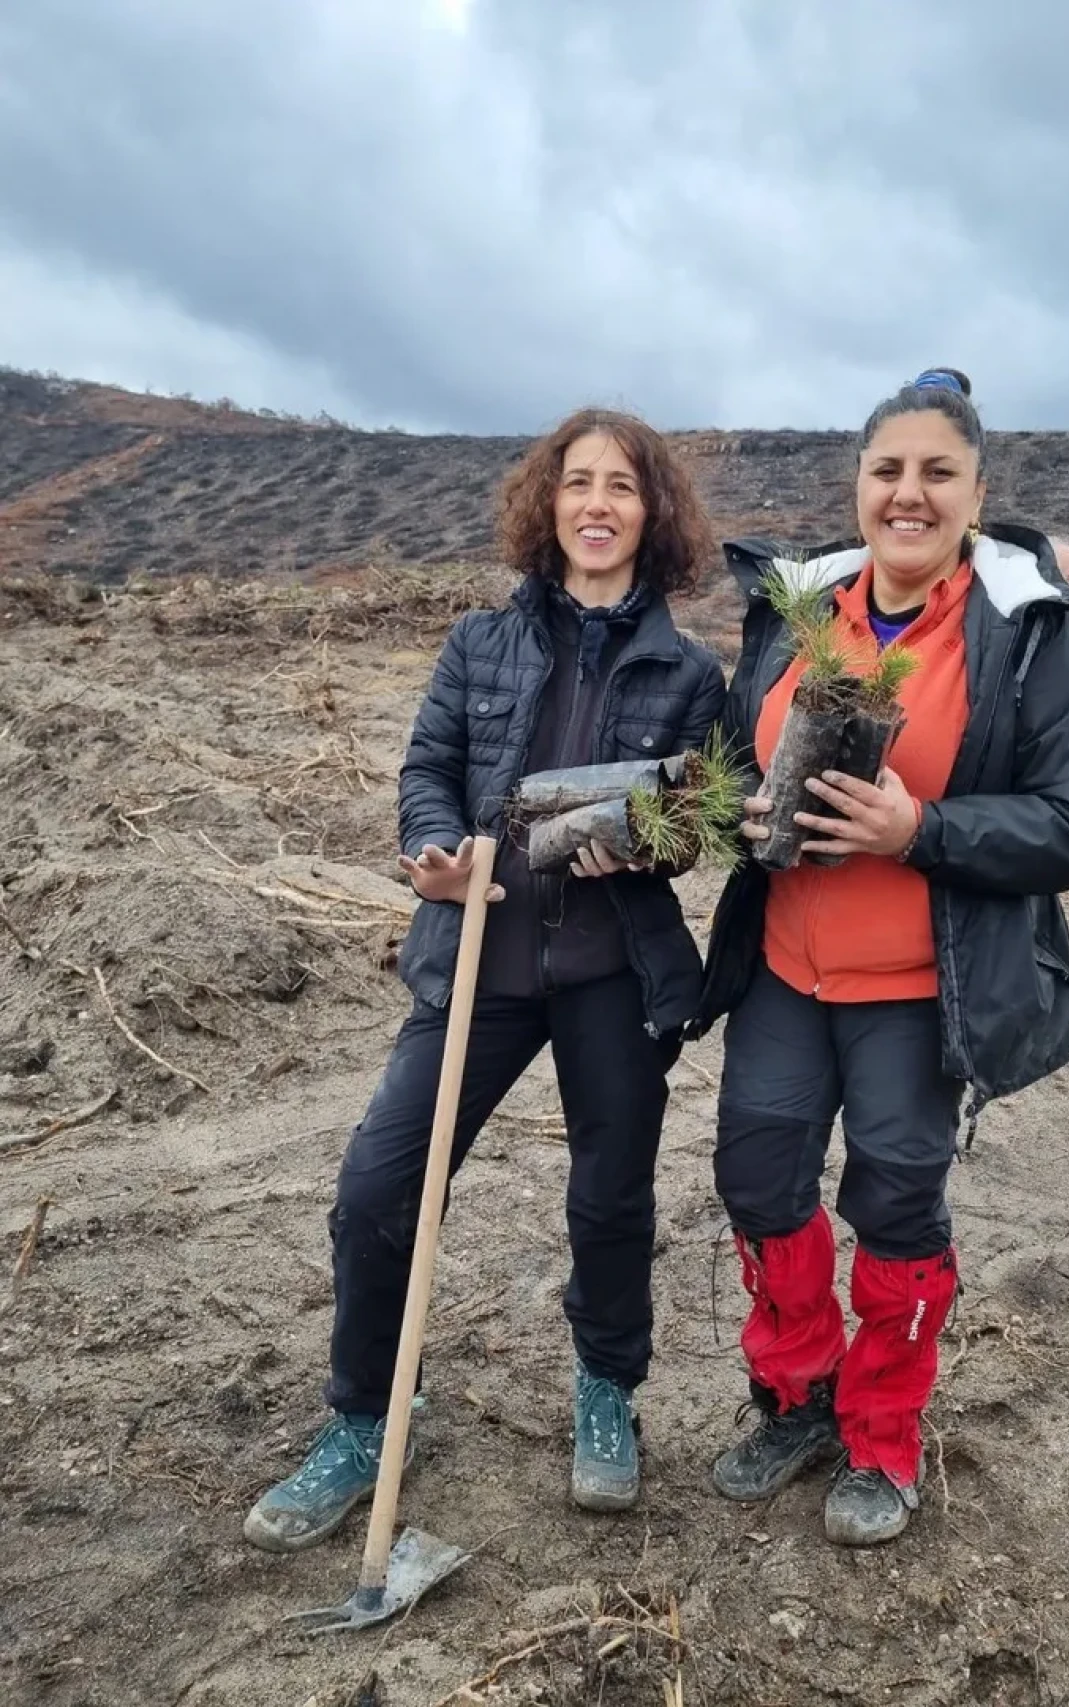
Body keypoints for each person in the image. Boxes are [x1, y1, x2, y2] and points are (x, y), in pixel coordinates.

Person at [243, 408, 726, 1551]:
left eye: (621, 486)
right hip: (480, 959)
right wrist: (433, 851)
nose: (597, 504)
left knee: (609, 1201)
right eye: (577, 483)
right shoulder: (480, 644)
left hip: (614, 970)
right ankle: (363, 1419)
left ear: (651, 513)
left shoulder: (689, 670)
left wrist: (644, 842)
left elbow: (690, 828)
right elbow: (429, 768)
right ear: (546, 504)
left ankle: (606, 1394)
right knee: (378, 1188)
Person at [687, 367, 1069, 1547]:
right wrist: (709, 807)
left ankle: (880, 1432)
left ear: (976, 492)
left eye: (935, 473)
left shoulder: (1021, 635)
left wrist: (916, 830)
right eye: (886, 471)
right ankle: (800, 1395)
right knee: (760, 1183)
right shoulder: (797, 610)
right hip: (782, 969)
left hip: (921, 988)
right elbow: (736, 753)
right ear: (857, 486)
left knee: (894, 1204)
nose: (906, 494)